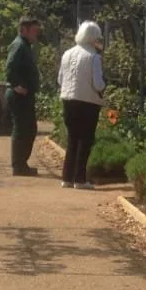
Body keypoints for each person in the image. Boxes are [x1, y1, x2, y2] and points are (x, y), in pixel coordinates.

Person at [57, 21, 106, 189]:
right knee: (85, 140)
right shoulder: (94, 57)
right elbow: (98, 84)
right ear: (93, 38)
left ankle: (67, 177)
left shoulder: (67, 54)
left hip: (68, 100)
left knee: (72, 139)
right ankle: (80, 179)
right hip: (88, 102)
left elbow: (60, 79)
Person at [4, 17, 42, 176]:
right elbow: (10, 67)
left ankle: (21, 163)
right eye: (34, 31)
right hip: (19, 95)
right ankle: (18, 165)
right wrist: (16, 85)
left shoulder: (25, 45)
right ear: (24, 30)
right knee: (21, 129)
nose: (36, 34)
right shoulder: (19, 45)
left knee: (29, 128)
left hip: (25, 95)